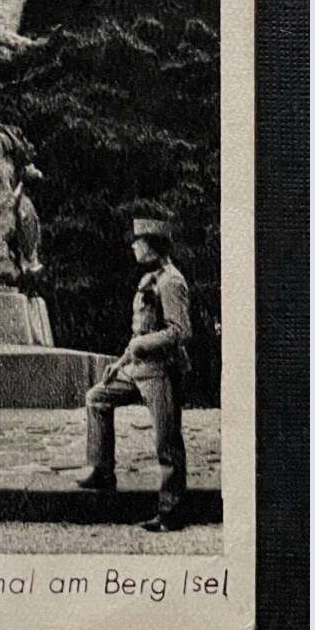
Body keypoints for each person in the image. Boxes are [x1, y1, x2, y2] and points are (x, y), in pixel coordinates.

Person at [76, 216, 193, 531]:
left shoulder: (171, 282)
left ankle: (171, 513)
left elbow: (180, 332)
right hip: (137, 368)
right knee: (97, 398)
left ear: (153, 246)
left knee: (167, 442)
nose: (133, 246)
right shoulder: (148, 280)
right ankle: (101, 470)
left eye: (138, 241)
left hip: (159, 373)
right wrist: (121, 361)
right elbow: (140, 329)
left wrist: (140, 345)